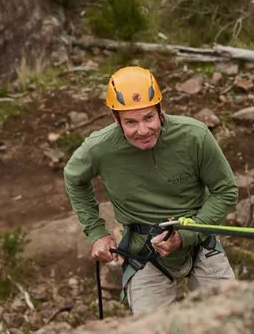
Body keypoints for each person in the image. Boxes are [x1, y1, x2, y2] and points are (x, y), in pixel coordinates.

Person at [63, 65, 239, 315]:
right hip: (143, 252)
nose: (143, 131)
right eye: (131, 122)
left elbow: (225, 190)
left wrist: (186, 236)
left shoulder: (194, 136)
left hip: (199, 241)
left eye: (148, 117)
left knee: (231, 318)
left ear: (160, 110)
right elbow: (73, 178)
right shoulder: (99, 148)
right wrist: (97, 232)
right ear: (116, 120)